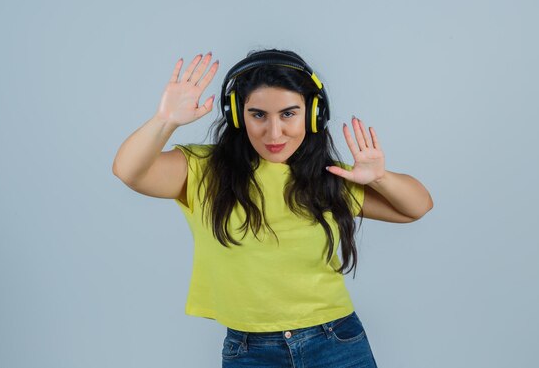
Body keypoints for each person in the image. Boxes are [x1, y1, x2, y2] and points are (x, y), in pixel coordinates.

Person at [112, 49, 433, 367]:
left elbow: (416, 207)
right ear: (238, 115)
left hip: (336, 342)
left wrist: (379, 178)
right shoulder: (203, 170)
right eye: (258, 115)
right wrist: (164, 121)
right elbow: (129, 171)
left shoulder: (327, 177)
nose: (274, 132)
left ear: (313, 114)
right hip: (251, 351)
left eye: (288, 114)